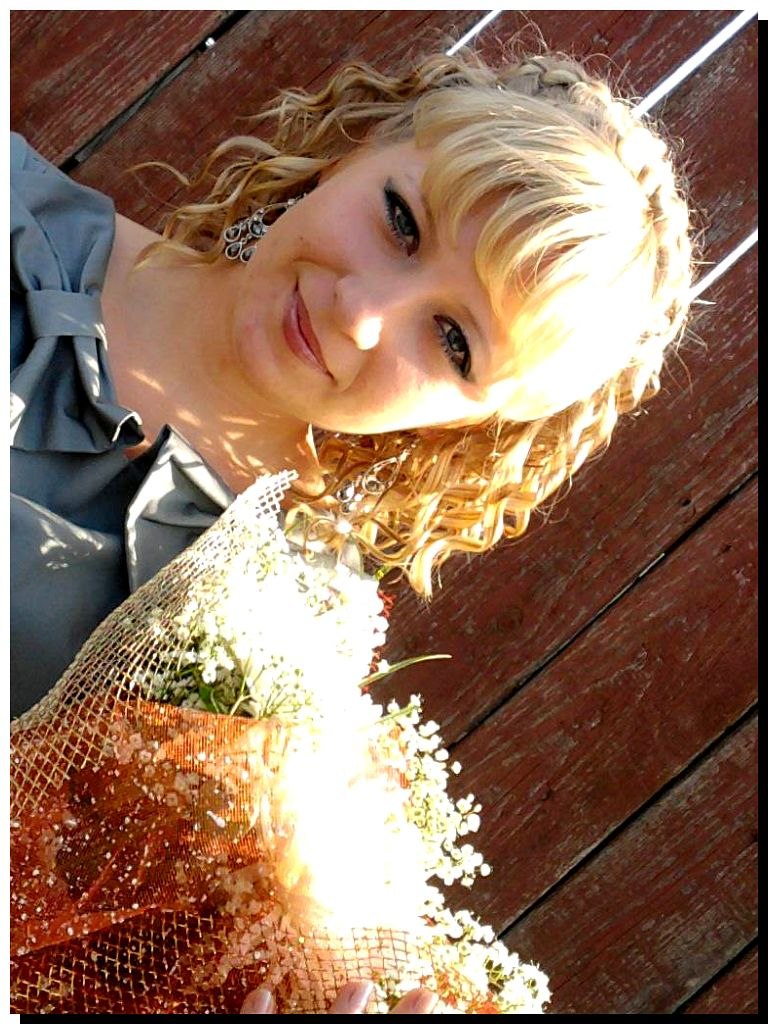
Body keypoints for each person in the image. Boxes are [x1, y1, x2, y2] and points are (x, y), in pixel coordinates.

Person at [10, 45, 693, 1013]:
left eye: (452, 341)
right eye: (402, 220)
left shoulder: (289, 669)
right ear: (360, 146)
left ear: (475, 428)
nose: (363, 312)